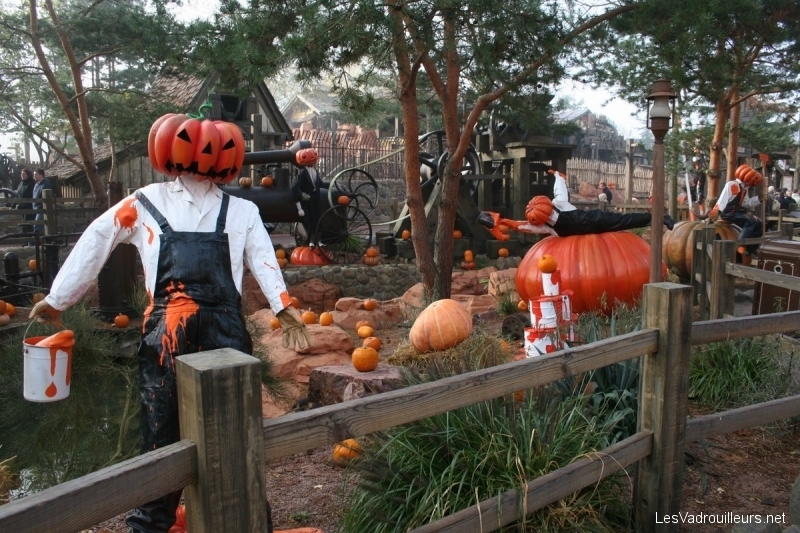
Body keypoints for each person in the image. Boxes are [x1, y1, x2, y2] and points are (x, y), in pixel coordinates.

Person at [29, 119, 312, 533]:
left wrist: (282, 305)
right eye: (187, 143)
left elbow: (263, 257)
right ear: (168, 148)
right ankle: (151, 523)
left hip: (226, 338)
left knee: (234, 438)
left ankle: (248, 520)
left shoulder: (242, 210)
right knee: (159, 436)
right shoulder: (143, 203)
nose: (199, 153)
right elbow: (97, 239)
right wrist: (58, 299)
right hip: (165, 338)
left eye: (213, 146)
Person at [477, 169, 674, 239]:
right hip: (582, 241)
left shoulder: (559, 203)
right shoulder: (543, 225)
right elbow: (521, 226)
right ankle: (657, 219)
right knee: (623, 221)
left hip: (595, 221)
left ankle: (660, 218)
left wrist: (557, 175)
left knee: (624, 220)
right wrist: (501, 221)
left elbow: (559, 186)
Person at [697, 167, 763, 257]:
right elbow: (723, 198)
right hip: (728, 213)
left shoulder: (744, 189)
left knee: (759, 222)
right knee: (751, 220)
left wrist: (759, 199)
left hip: (737, 213)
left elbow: (745, 203)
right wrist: (717, 209)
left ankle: (752, 248)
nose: (754, 184)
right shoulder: (733, 185)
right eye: (754, 180)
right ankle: (739, 244)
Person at [291, 148, 324, 245]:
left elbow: (320, 184)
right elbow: (294, 189)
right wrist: (299, 207)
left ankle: (319, 240)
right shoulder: (302, 174)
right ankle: (312, 241)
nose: (311, 161)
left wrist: (333, 184)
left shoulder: (315, 171)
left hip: (316, 199)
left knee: (318, 219)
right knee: (311, 221)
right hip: (308, 201)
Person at [14, 167, 35, 236]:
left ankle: (31, 241)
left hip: (29, 208)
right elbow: (17, 195)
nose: (22, 175)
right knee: (24, 225)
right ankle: (27, 240)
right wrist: (13, 206)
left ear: (28, 175)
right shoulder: (21, 184)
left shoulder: (32, 184)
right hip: (22, 208)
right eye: (21, 174)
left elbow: (32, 197)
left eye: (24, 174)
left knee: (29, 225)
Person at [32, 168, 52, 236]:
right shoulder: (36, 184)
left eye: (36, 174)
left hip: (41, 208)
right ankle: (37, 242)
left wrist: (40, 205)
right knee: (37, 225)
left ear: (41, 175)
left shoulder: (46, 184)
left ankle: (34, 243)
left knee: (37, 226)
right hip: (35, 207)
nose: (34, 176)